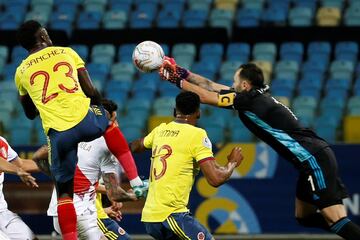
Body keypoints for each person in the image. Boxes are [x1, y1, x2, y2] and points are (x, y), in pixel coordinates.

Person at [159, 60, 360, 239]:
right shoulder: (254, 96)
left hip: (312, 158)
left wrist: (174, 79)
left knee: (334, 217)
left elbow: (203, 96)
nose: (232, 85)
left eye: (235, 81)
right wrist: (183, 72)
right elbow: (211, 85)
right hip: (313, 156)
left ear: (245, 85)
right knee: (304, 216)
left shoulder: (247, 101)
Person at [15, 20, 147, 239]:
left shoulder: (21, 71)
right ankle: (137, 181)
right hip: (85, 120)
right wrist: (100, 109)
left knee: (64, 194)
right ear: (43, 36)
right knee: (109, 124)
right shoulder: (66, 52)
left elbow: (29, 113)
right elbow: (90, 89)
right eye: (46, 33)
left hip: (59, 135)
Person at [130, 91, 243, 240]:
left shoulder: (160, 130)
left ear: (175, 111)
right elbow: (215, 179)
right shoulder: (197, 135)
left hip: (151, 217)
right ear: (198, 113)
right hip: (171, 214)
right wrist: (233, 162)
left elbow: (135, 146)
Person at [33, 100, 138, 240]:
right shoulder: (106, 144)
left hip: (59, 211)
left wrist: (57, 175)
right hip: (81, 215)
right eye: (115, 120)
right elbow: (114, 194)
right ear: (108, 119)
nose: (116, 125)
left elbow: (38, 156)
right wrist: (133, 196)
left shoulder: (72, 130)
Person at [0, 136, 38, 240]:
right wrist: (17, 170)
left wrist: (53, 164)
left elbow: (21, 164)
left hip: (2, 212)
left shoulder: (1, 142)